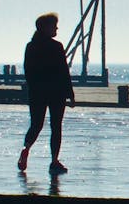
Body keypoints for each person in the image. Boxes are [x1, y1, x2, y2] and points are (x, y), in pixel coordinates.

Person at [19, 13, 76, 174]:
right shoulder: (57, 46)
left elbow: (28, 71)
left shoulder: (31, 46)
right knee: (56, 127)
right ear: (44, 28)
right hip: (56, 93)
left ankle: (26, 148)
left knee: (36, 125)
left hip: (37, 93)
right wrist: (70, 94)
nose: (56, 28)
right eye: (54, 25)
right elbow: (64, 72)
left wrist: (35, 89)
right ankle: (54, 161)